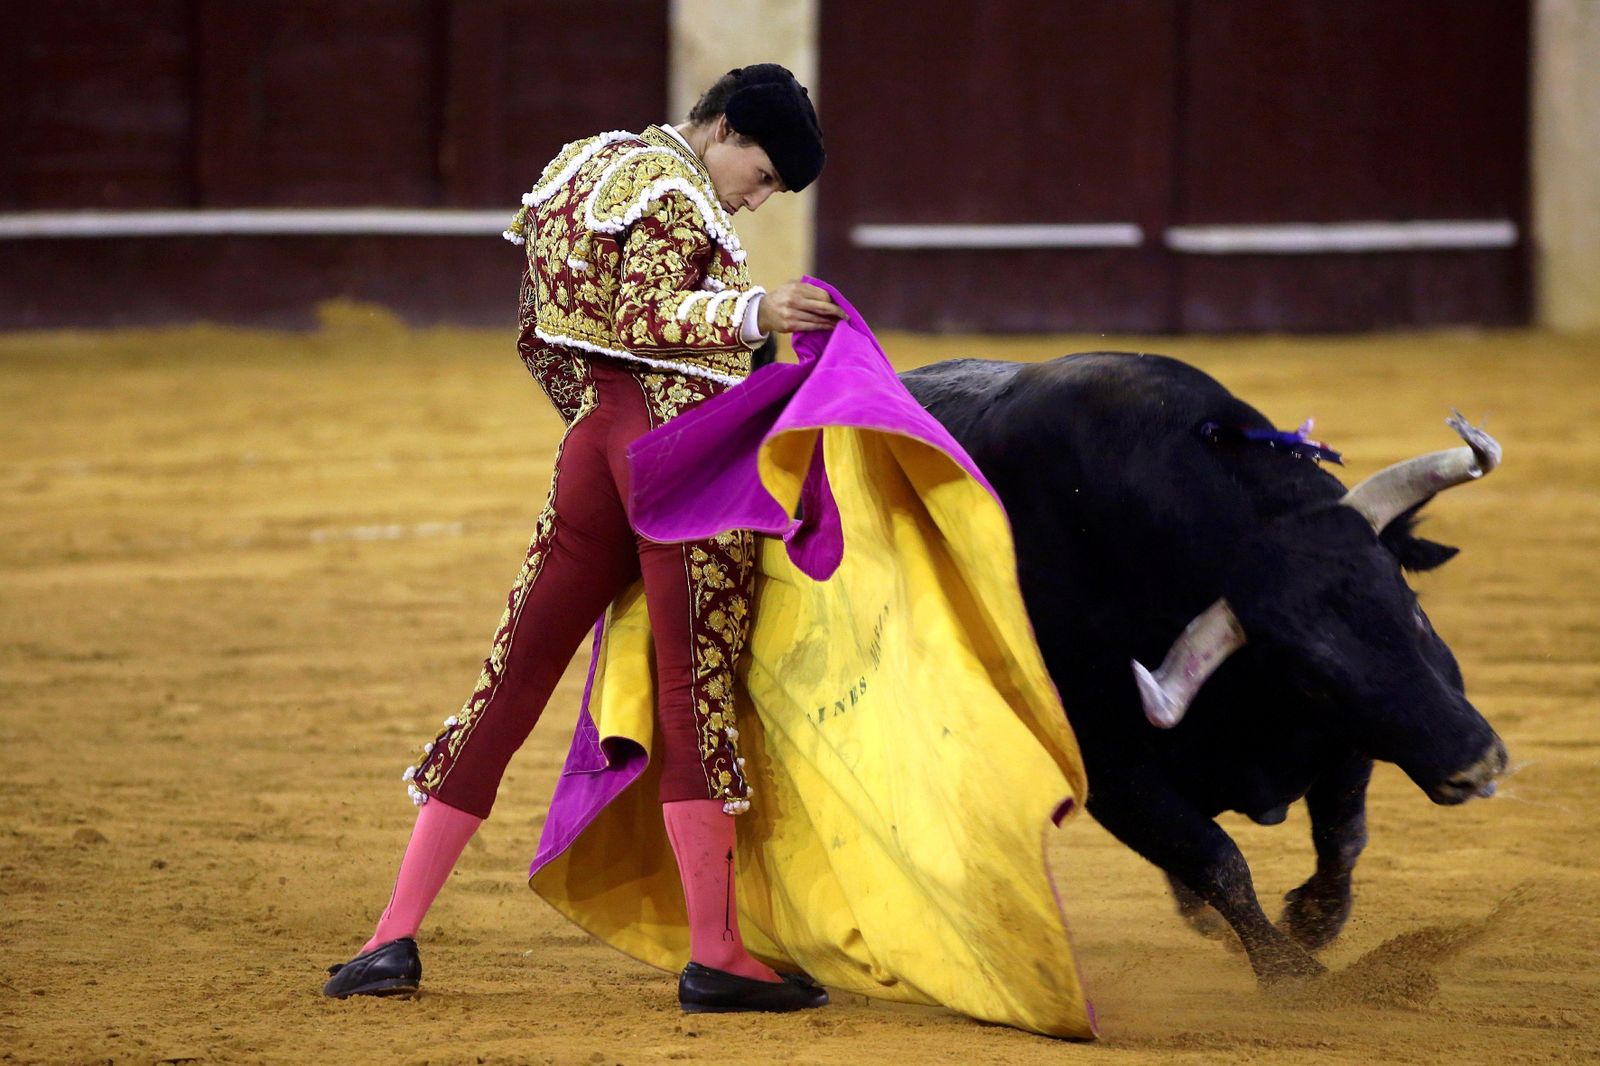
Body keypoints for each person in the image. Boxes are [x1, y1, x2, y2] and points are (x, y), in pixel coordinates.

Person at [322, 64, 840, 1012]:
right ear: (719, 127)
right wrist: (753, 313)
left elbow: (539, 326)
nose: (756, 199)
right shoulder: (679, 195)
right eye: (759, 174)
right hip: (676, 459)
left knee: (511, 679)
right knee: (693, 690)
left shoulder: (581, 167)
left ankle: (389, 937)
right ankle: (717, 953)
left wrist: (596, 424)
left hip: (594, 442)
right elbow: (646, 313)